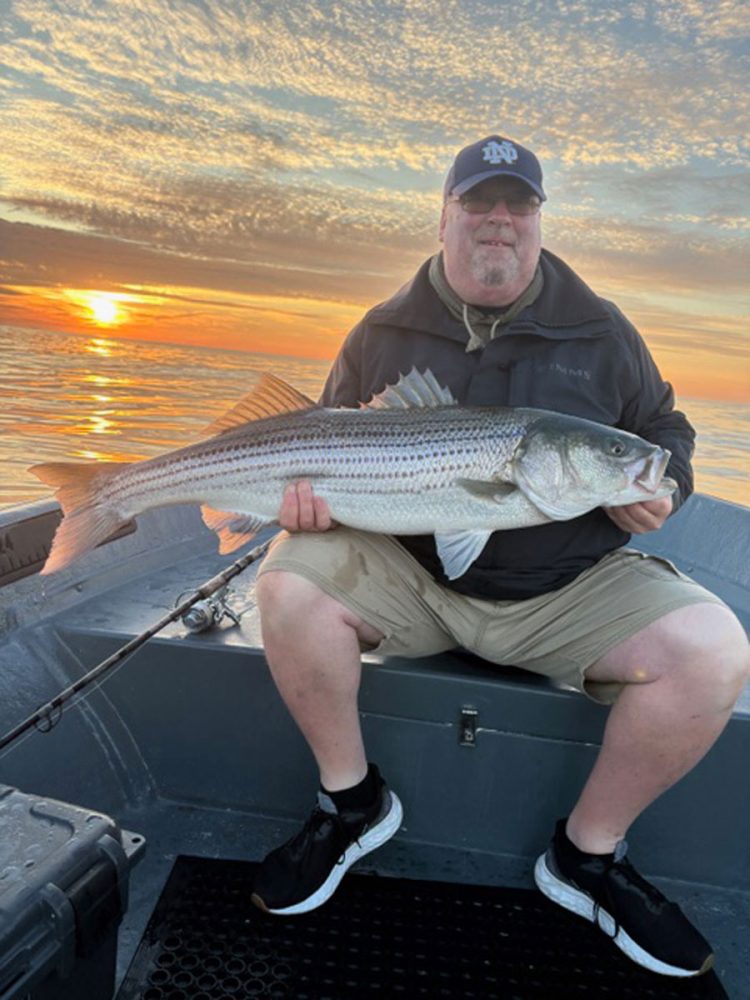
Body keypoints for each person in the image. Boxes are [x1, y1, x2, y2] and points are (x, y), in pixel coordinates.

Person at [250, 134, 750, 977]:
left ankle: (586, 858)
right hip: (412, 580)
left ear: (538, 222)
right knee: (287, 583)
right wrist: (307, 507)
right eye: (479, 203)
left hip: (568, 588)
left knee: (715, 653)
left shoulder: (603, 332)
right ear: (444, 216)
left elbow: (664, 433)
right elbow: (327, 435)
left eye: (518, 206)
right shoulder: (381, 329)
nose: (499, 221)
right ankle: (352, 805)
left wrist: (664, 485)